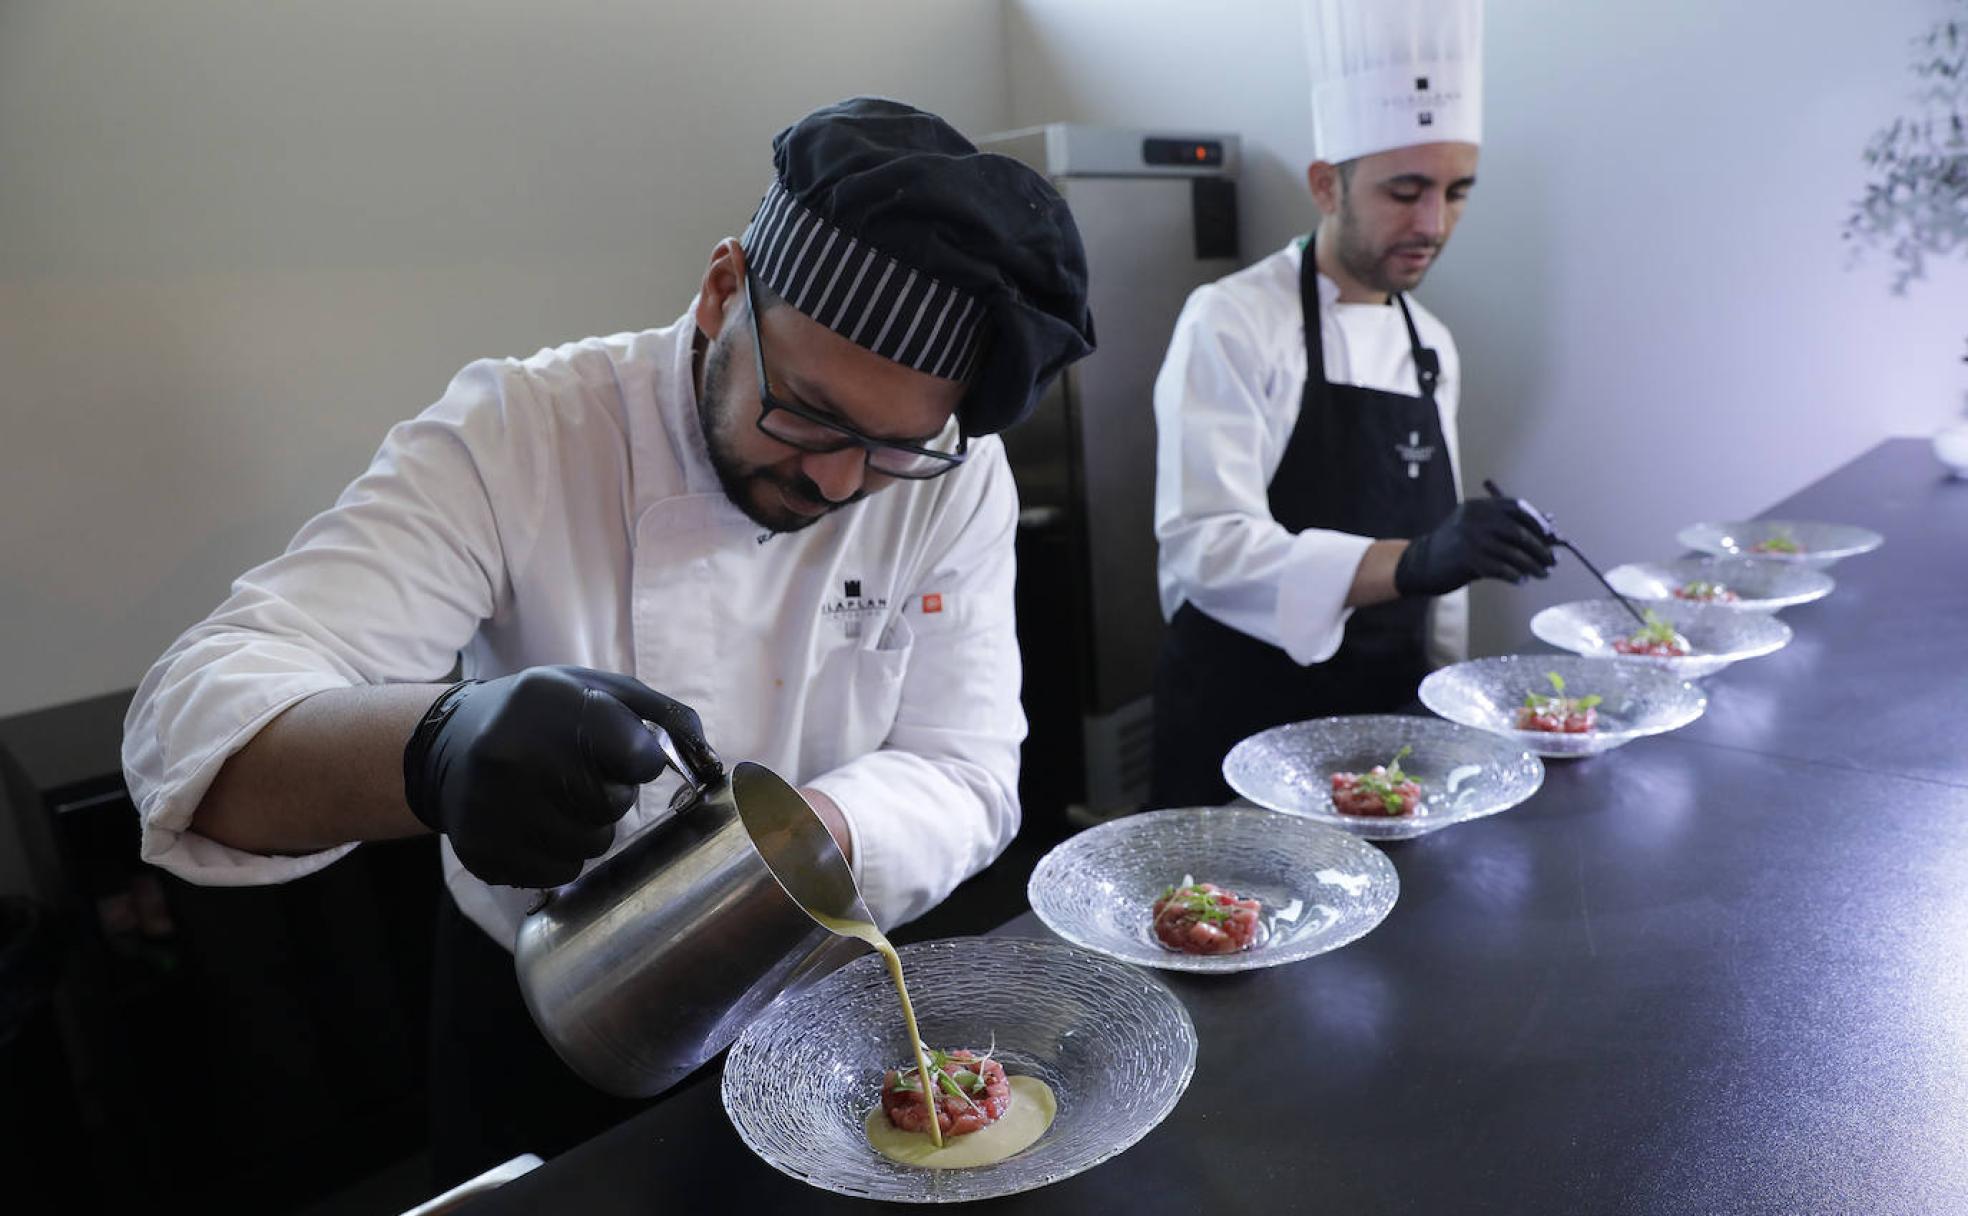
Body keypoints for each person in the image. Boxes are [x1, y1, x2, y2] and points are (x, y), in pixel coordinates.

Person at [120, 96, 1093, 1185]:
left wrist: (785, 848)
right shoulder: (525, 431)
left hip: (825, 1000)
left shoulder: (953, 478)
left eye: (888, 449)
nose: (835, 479)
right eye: (806, 413)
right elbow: (191, 722)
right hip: (549, 1011)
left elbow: (969, 768)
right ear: (723, 291)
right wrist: (431, 746)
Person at [1148, 0, 1552, 809]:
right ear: (1327, 184)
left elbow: (1440, 574)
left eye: (1456, 191)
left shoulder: (1430, 342)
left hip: (1388, 740)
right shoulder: (1230, 320)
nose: (1434, 223)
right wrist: (1413, 560)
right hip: (1243, 735)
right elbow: (1208, 549)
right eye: (1405, 190)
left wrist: (1448, 697)